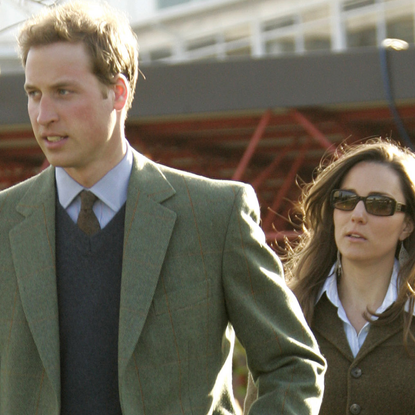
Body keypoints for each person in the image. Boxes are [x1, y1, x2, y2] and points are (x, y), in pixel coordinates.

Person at [0, 2, 326, 414]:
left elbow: (292, 364)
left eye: (63, 92)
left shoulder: (215, 215)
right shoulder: (5, 222)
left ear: (117, 93)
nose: (43, 115)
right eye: (34, 94)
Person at [245, 138, 415, 414]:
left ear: (407, 224)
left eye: (379, 204)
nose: (357, 215)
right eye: (346, 200)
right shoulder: (289, 314)